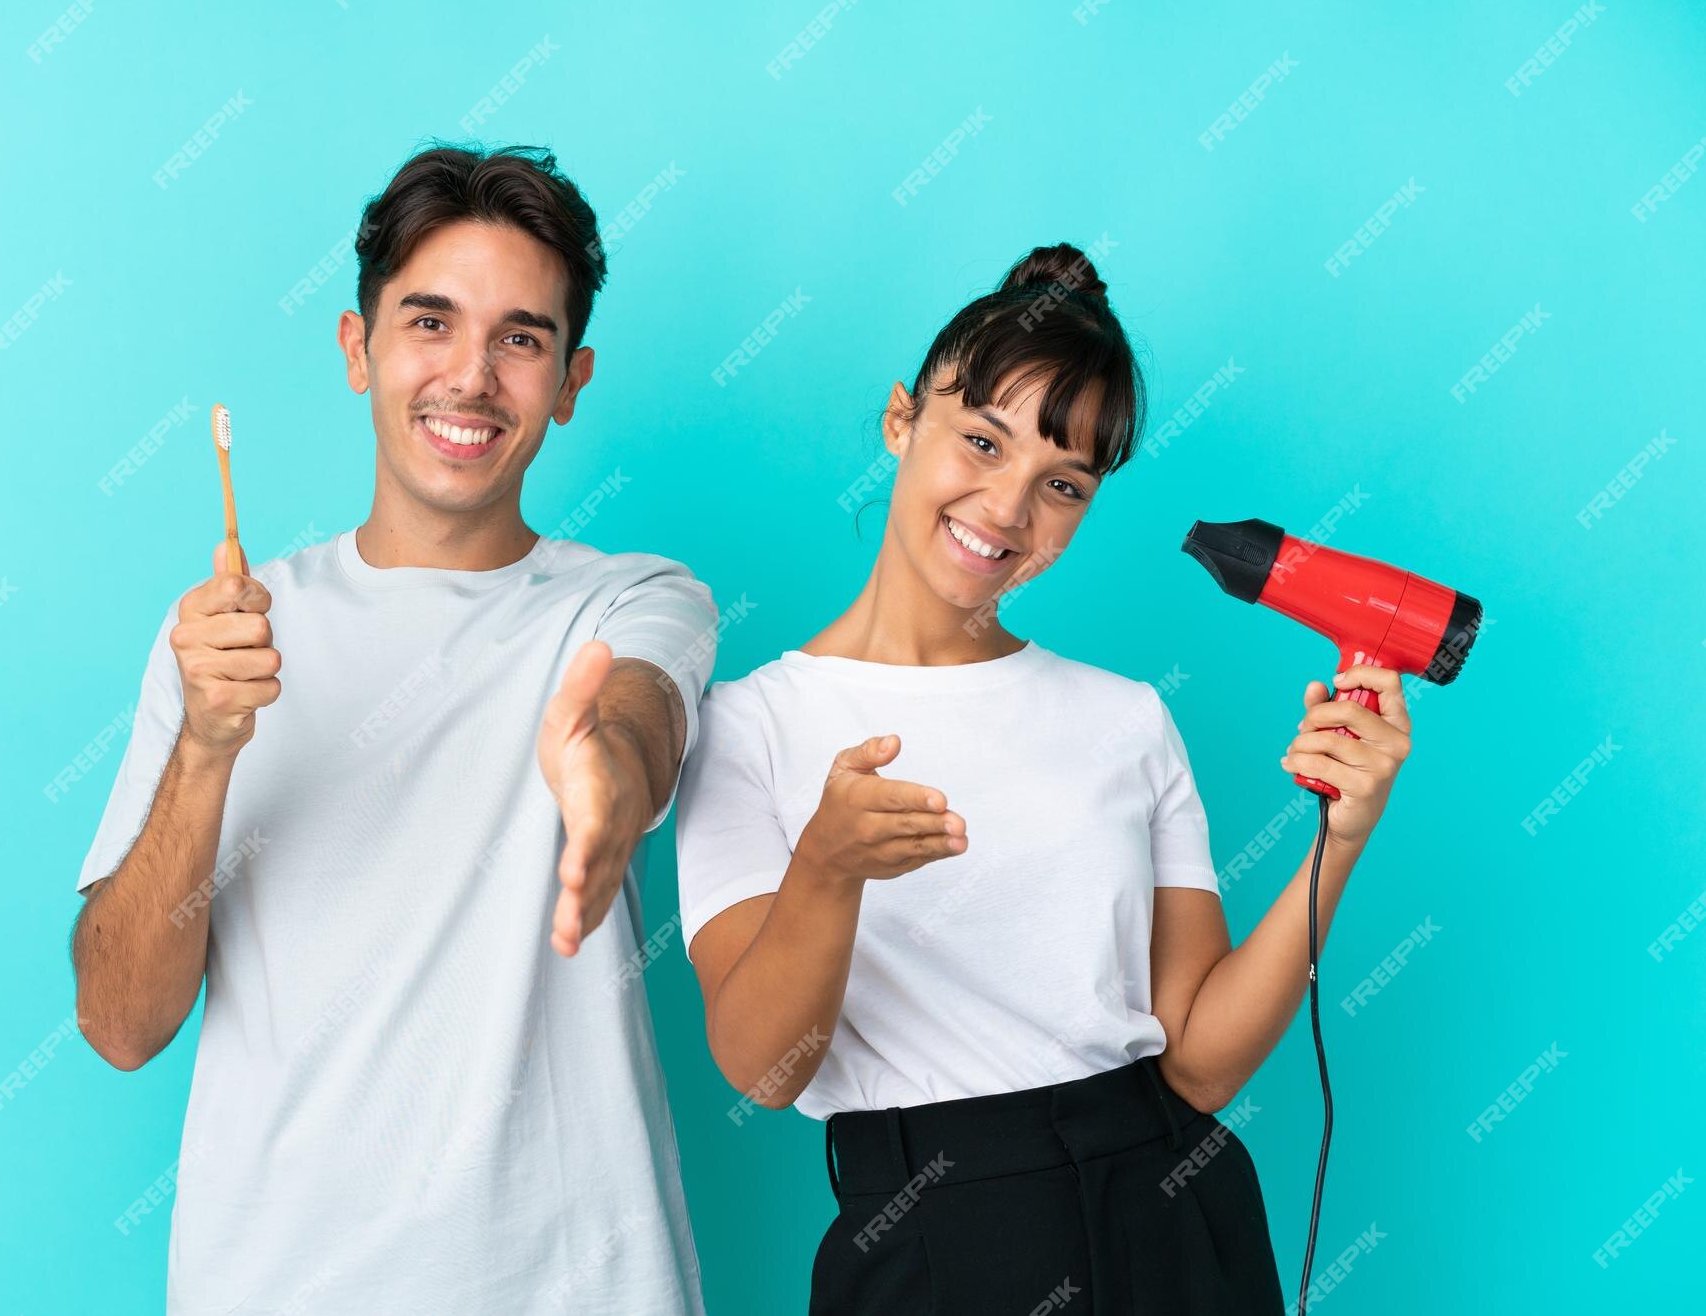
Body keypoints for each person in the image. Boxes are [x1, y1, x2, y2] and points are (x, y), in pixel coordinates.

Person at [673, 242, 1415, 1314]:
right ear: (898, 420)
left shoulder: (1125, 717)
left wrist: (1336, 843)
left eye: (1059, 483)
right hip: (928, 1231)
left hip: (1172, 1211)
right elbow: (764, 1069)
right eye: (979, 440)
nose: (1006, 507)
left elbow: (1198, 1065)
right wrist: (827, 868)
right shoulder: (749, 725)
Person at [71, 144, 715, 1315]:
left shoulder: (630, 601)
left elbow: (636, 722)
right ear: (357, 350)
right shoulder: (225, 638)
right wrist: (206, 746)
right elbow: (119, 1023)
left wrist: (603, 778)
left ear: (569, 380)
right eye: (430, 322)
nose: (470, 377)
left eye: (519, 338)